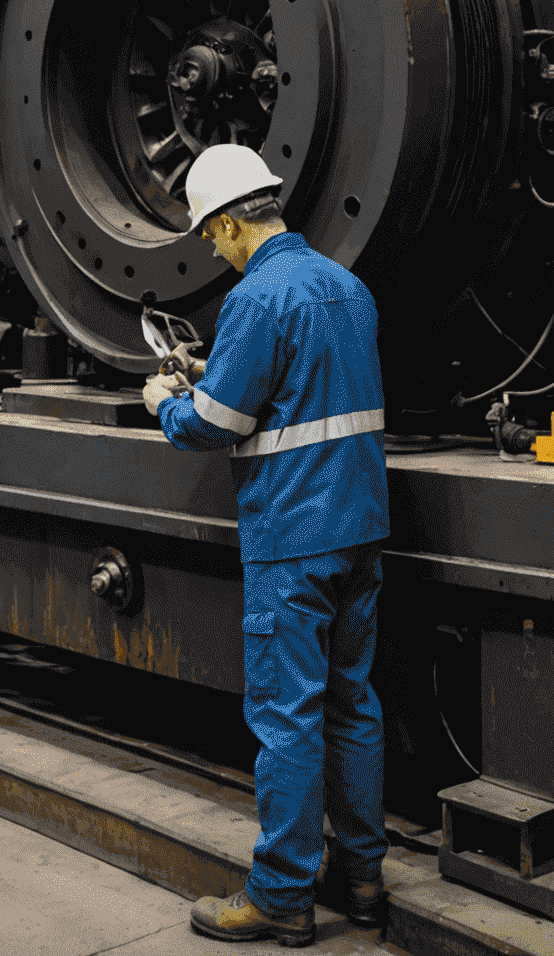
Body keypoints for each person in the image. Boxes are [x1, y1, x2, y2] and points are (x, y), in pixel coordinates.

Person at [143, 144, 390, 947]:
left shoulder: (255, 299)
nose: (211, 247)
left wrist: (167, 401)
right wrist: (221, 369)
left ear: (225, 222)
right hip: (359, 528)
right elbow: (303, 386)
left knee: (287, 719)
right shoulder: (347, 288)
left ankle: (282, 894)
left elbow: (216, 425)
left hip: (292, 539)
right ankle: (361, 877)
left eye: (209, 234)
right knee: (352, 704)